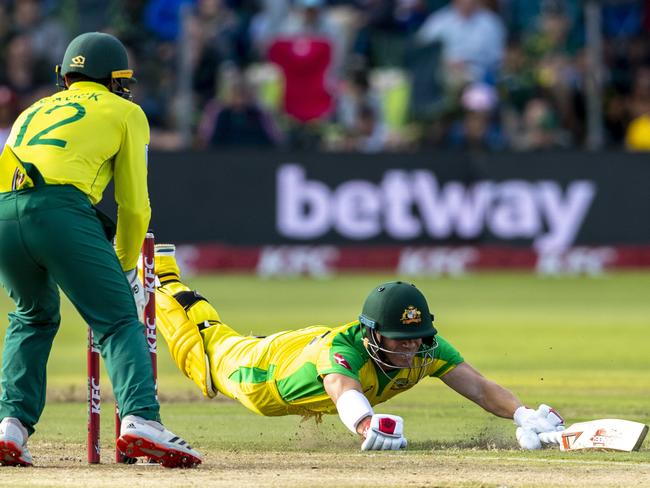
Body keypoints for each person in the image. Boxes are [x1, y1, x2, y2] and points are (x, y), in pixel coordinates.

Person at [0, 32, 201, 468]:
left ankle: (10, 427)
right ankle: (141, 420)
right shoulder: (125, 112)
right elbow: (133, 205)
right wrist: (126, 267)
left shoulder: (30, 111)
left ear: (67, 75)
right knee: (117, 319)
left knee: (31, 317)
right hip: (60, 211)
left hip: (4, 214)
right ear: (114, 78)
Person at [153, 245, 564, 451]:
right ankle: (156, 276)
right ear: (372, 335)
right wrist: (366, 425)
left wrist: (521, 413)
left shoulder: (425, 346)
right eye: (399, 341)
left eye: (416, 338)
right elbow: (341, 387)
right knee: (203, 336)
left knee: (280, 339)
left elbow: (477, 385)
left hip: (302, 345)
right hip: (257, 372)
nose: (410, 350)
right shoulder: (346, 350)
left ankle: (159, 273)